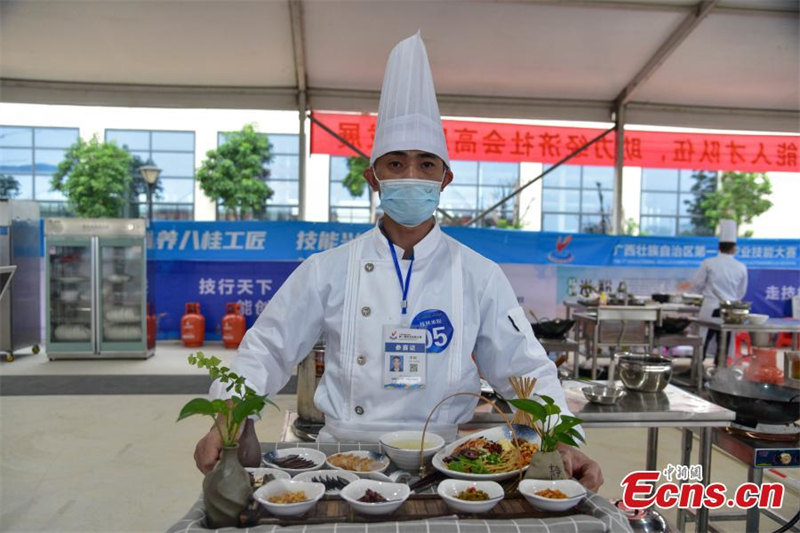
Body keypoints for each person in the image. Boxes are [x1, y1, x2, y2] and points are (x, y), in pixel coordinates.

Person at [194, 32, 603, 491]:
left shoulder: (479, 276)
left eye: (426, 164)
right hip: (343, 456)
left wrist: (564, 440)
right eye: (396, 164)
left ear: (445, 179)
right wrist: (224, 418)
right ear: (374, 177)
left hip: (447, 461)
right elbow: (266, 349)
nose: (411, 175)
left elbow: (525, 367)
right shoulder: (326, 270)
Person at [691, 219, 748, 360]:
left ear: (719, 247)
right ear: (734, 248)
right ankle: (721, 371)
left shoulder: (709, 263)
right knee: (724, 342)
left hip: (710, 307)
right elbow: (741, 292)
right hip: (729, 311)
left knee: (703, 340)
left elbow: (697, 284)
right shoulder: (741, 266)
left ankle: (697, 370)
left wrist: (701, 296)